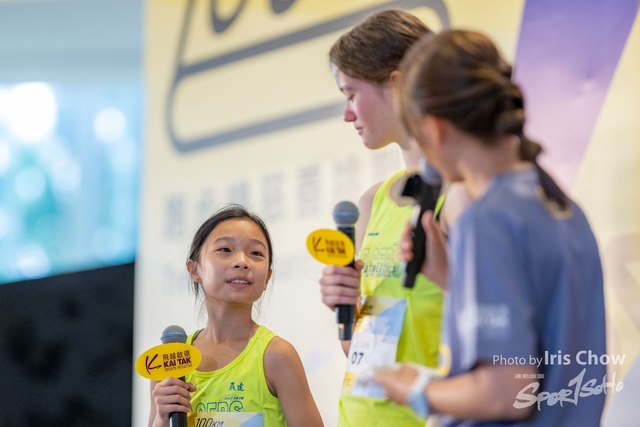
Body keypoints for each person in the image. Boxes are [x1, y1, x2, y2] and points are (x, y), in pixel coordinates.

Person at [374, 30, 607, 426]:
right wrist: (450, 278)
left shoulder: (487, 220)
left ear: (434, 130)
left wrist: (415, 390)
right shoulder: (564, 208)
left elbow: (507, 392)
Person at [318, 9, 447, 427]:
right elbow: (360, 349)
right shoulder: (372, 201)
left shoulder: (461, 196)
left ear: (395, 84)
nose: (347, 114)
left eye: (351, 94)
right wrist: (345, 306)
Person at [149, 204, 324, 427]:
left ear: (267, 277)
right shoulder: (170, 362)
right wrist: (162, 419)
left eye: (256, 253)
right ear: (194, 269)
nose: (242, 261)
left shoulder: (277, 356)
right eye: (225, 249)